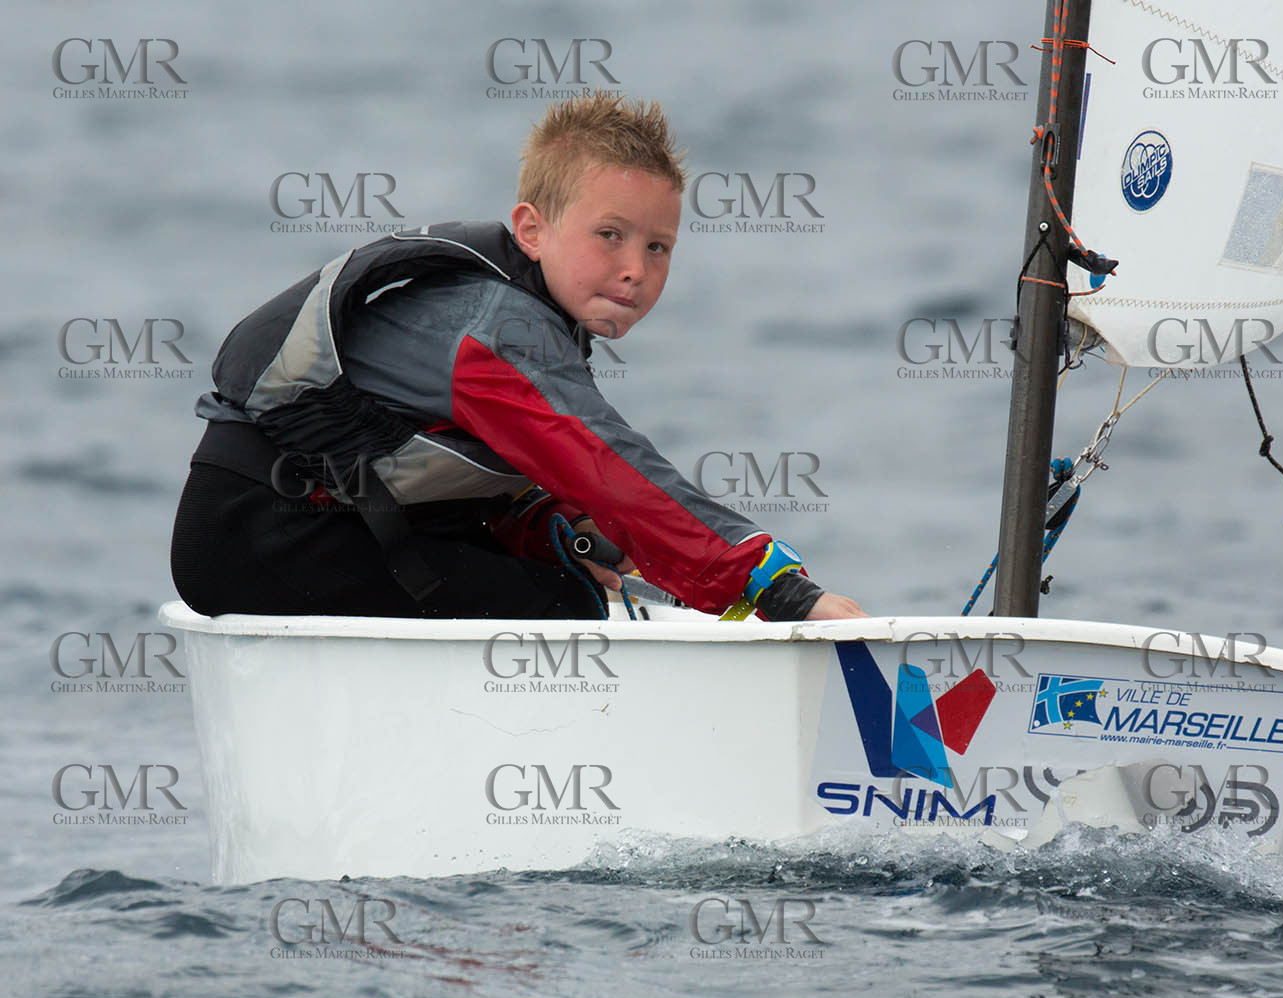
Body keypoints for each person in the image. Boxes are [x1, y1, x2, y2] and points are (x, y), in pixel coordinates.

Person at [170, 95, 866, 623]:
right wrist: (780, 590)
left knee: (554, 574)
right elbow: (611, 466)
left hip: (302, 525)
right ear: (532, 230)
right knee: (564, 611)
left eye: (658, 247)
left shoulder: (525, 320)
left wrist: (558, 529)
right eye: (610, 235)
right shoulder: (499, 334)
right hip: (262, 534)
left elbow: (466, 470)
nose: (634, 270)